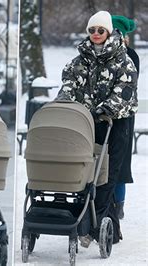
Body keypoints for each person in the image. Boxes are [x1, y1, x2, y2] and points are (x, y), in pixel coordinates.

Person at [56, 11, 138, 247]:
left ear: (109, 31)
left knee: (106, 177)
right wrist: (65, 104)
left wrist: (103, 110)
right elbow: (69, 84)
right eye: (91, 30)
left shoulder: (124, 60)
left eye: (100, 30)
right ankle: (101, 222)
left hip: (114, 124)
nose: (96, 34)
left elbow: (124, 91)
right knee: (83, 172)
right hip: (84, 123)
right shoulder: (80, 59)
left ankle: (94, 227)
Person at [111, 14, 139, 220]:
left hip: (123, 117)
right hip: (98, 117)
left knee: (120, 165)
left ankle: (118, 205)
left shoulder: (130, 56)